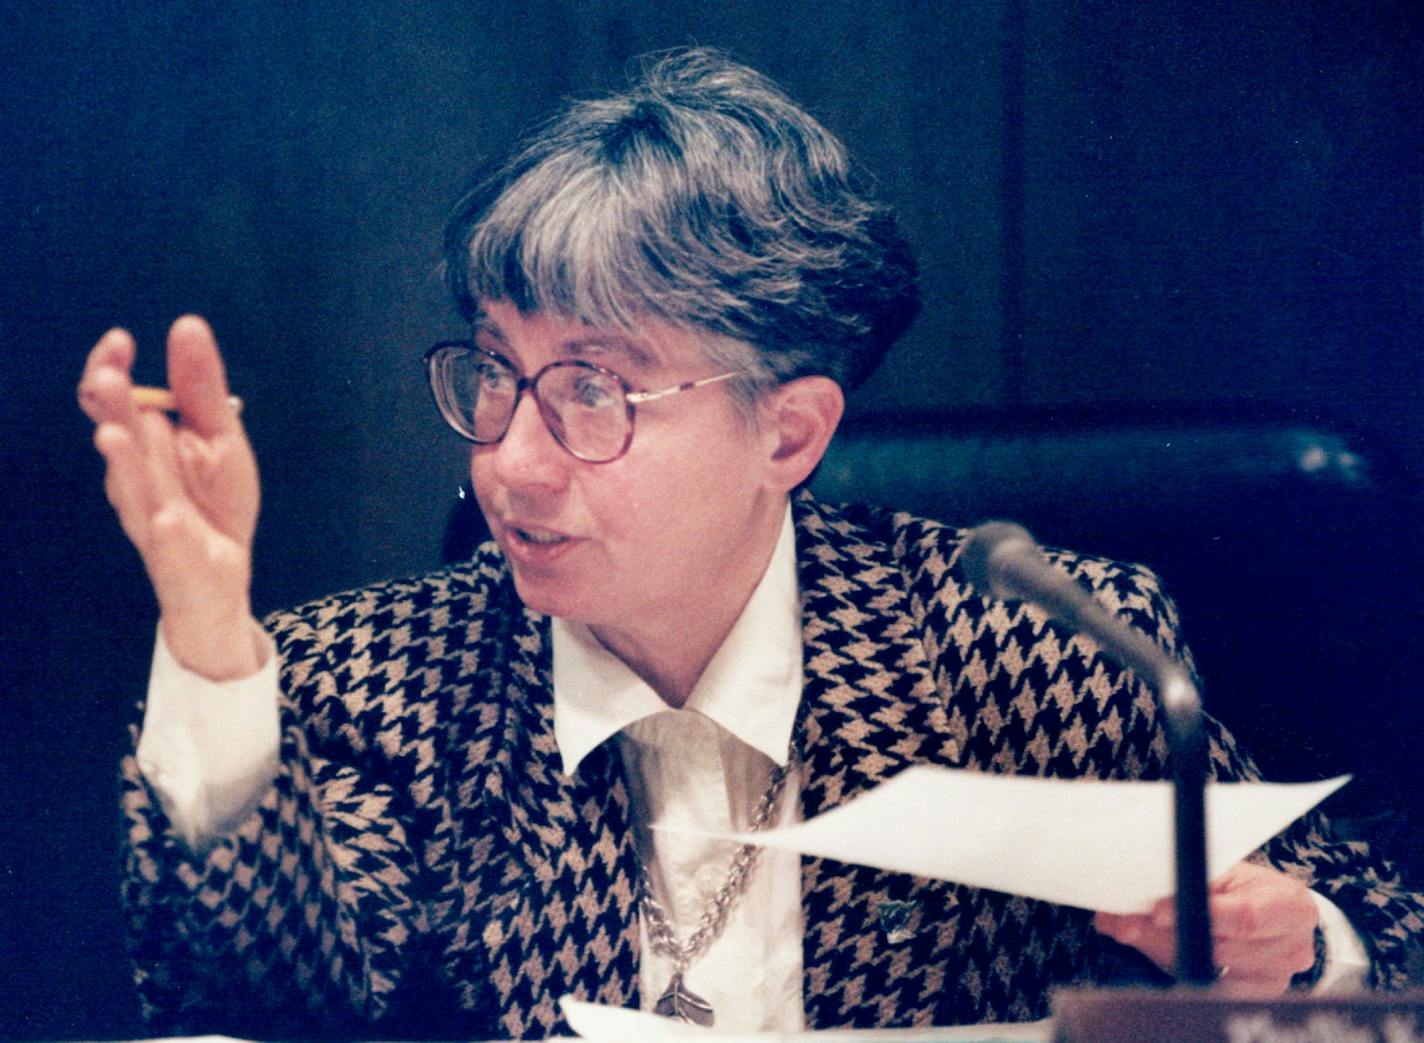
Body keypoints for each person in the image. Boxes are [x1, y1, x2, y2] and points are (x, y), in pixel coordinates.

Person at [78, 48, 1421, 1040]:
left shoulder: (1026, 654)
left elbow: (1388, 938)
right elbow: (255, 998)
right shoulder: (373, 681)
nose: (509, 457)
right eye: (495, 372)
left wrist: (1307, 950)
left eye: (595, 390)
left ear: (788, 435)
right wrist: (209, 638)